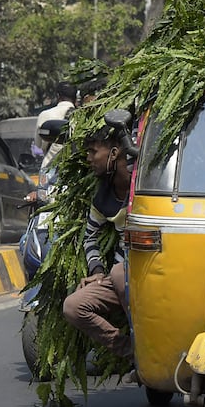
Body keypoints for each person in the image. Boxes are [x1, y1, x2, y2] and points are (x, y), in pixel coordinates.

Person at [63, 124, 134, 369]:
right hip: (119, 278)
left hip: (152, 274)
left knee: (119, 272)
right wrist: (96, 272)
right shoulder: (103, 195)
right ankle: (132, 352)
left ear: (114, 153)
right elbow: (90, 236)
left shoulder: (145, 182)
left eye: (93, 151)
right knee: (73, 306)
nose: (89, 158)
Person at [35, 82, 78, 168]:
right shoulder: (82, 116)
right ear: (75, 97)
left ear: (58, 96)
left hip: (49, 169)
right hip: (76, 168)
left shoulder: (44, 115)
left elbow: (38, 144)